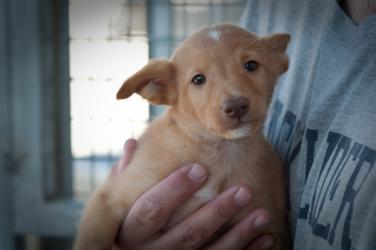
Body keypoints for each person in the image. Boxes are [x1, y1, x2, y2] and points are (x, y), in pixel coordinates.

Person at [113, 0, 376, 249]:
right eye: (198, 80)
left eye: (250, 65)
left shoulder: (263, 162)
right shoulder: (273, 7)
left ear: (279, 62)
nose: (234, 98)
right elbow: (110, 202)